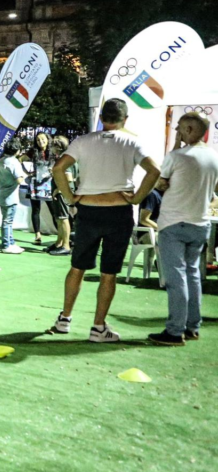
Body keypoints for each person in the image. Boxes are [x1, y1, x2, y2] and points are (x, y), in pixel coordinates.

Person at [50, 98, 161, 342]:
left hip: (89, 210)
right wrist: (137, 198)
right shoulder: (132, 141)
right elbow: (154, 170)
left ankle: (64, 319)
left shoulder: (83, 141)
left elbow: (58, 168)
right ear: (125, 119)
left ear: (101, 117)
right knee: (108, 273)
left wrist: (70, 197)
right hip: (118, 212)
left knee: (77, 267)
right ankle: (98, 327)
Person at [147, 112, 218, 346]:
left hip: (174, 222)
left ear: (188, 130)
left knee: (176, 278)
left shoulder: (176, 156)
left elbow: (161, 183)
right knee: (193, 275)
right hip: (201, 223)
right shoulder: (214, 156)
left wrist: (175, 147)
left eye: (178, 128)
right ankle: (192, 327)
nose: (176, 131)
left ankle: (175, 331)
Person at [0, 138, 27, 254]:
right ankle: (6, 245)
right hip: (11, 196)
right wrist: (25, 177)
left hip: (3, 194)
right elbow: (19, 180)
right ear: (17, 150)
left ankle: (11, 242)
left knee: (7, 221)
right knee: (7, 221)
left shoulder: (2, 161)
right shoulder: (14, 162)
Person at [45, 136, 74, 256]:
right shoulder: (63, 158)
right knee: (59, 218)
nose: (50, 148)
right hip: (59, 191)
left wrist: (59, 190)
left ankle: (66, 245)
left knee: (63, 218)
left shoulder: (65, 159)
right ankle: (59, 242)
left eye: (52, 145)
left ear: (58, 147)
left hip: (62, 192)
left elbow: (69, 177)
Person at [24, 133, 53, 246]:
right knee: (35, 210)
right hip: (35, 184)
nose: (40, 141)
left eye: (43, 139)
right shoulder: (33, 151)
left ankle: (62, 236)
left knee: (53, 210)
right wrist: (28, 173)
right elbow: (20, 159)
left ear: (47, 139)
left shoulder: (53, 151)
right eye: (38, 139)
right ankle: (37, 235)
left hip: (49, 184)